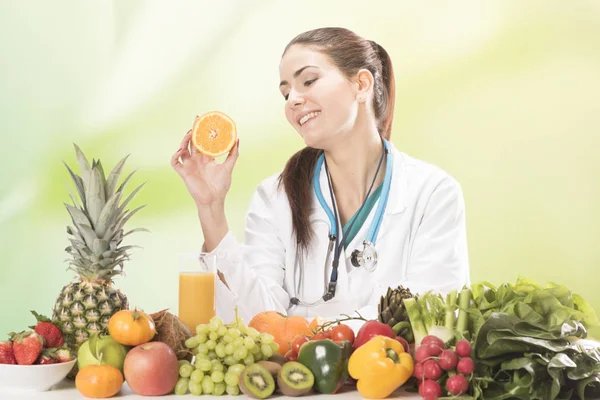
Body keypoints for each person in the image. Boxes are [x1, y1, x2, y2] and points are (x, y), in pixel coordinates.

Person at [171, 27, 470, 328]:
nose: (292, 101)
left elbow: (433, 312)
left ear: (362, 84)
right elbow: (259, 320)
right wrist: (210, 208)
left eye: (309, 81)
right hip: (294, 375)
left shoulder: (433, 193)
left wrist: (304, 329)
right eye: (286, 92)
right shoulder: (274, 197)